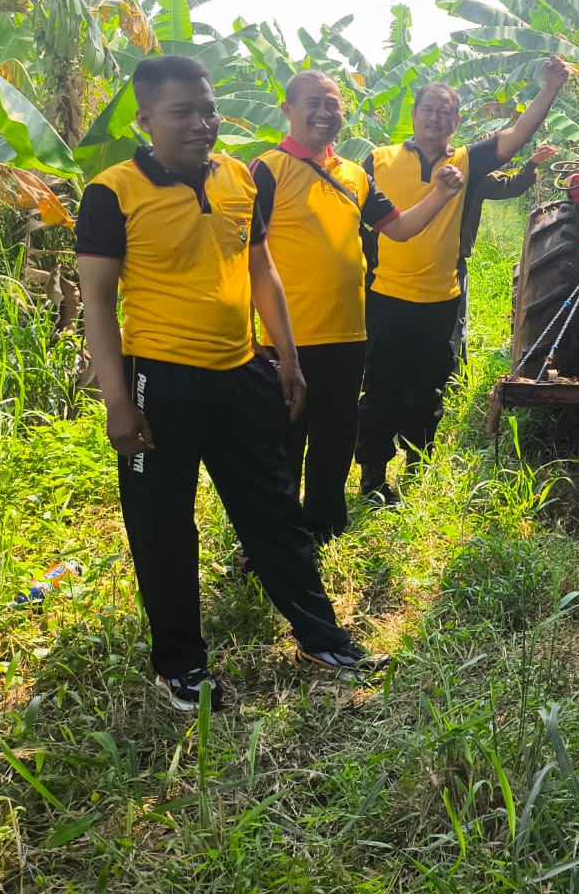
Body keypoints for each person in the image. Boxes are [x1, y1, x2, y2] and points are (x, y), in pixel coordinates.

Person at [75, 56, 379, 714]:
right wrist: (117, 401)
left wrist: (287, 358)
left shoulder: (239, 177)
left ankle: (322, 639)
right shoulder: (112, 192)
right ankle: (181, 667)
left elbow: (261, 269)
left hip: (241, 371)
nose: (201, 123)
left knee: (273, 507)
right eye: (181, 112)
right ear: (145, 119)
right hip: (159, 381)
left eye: (208, 109)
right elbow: (97, 300)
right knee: (164, 527)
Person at [250, 70, 464, 545]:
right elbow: (242, 255)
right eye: (313, 103)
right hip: (285, 339)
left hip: (347, 335)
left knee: (335, 439)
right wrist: (251, 337)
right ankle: (274, 540)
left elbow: (400, 229)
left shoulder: (355, 175)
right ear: (288, 110)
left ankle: (324, 529)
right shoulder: (267, 170)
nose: (324, 113)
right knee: (283, 443)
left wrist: (441, 194)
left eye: (333, 104)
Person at [357, 57, 569, 504]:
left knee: (428, 387)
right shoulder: (377, 160)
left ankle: (417, 464)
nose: (435, 118)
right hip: (385, 296)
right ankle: (373, 476)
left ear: (455, 123)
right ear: (414, 114)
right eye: (428, 109)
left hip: (441, 299)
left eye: (445, 113)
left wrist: (550, 88)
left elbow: (516, 135)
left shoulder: (468, 161)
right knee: (380, 388)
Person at [451, 143, 558, 364]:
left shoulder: (472, 174)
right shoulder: (408, 172)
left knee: (455, 325)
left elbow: (512, 185)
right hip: (412, 259)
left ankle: (454, 377)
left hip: (453, 262)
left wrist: (531, 165)